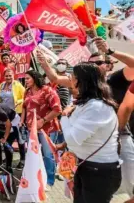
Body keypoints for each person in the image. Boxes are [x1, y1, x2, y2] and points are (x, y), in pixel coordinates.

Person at [60, 62, 121, 202]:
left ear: (82, 81)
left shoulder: (97, 107)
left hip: (98, 171)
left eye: (73, 76)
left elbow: (72, 138)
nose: (70, 79)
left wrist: (64, 116)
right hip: (84, 165)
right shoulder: (86, 104)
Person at [20, 70, 61, 188]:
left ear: (35, 78)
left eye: (28, 78)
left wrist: (43, 121)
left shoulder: (48, 90)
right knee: (33, 154)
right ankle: (35, 178)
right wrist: (22, 120)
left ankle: (48, 181)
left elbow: (57, 109)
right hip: (31, 129)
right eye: (25, 78)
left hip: (47, 129)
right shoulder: (27, 91)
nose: (25, 81)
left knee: (48, 155)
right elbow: (24, 106)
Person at [0, 68, 26, 169]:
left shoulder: (17, 84)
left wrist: (18, 101)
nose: (8, 77)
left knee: (19, 138)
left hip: (16, 115)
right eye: (6, 76)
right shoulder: (2, 85)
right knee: (7, 138)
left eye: (10, 75)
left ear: (13, 76)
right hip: (5, 116)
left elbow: (25, 96)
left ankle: (22, 159)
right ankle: (8, 157)